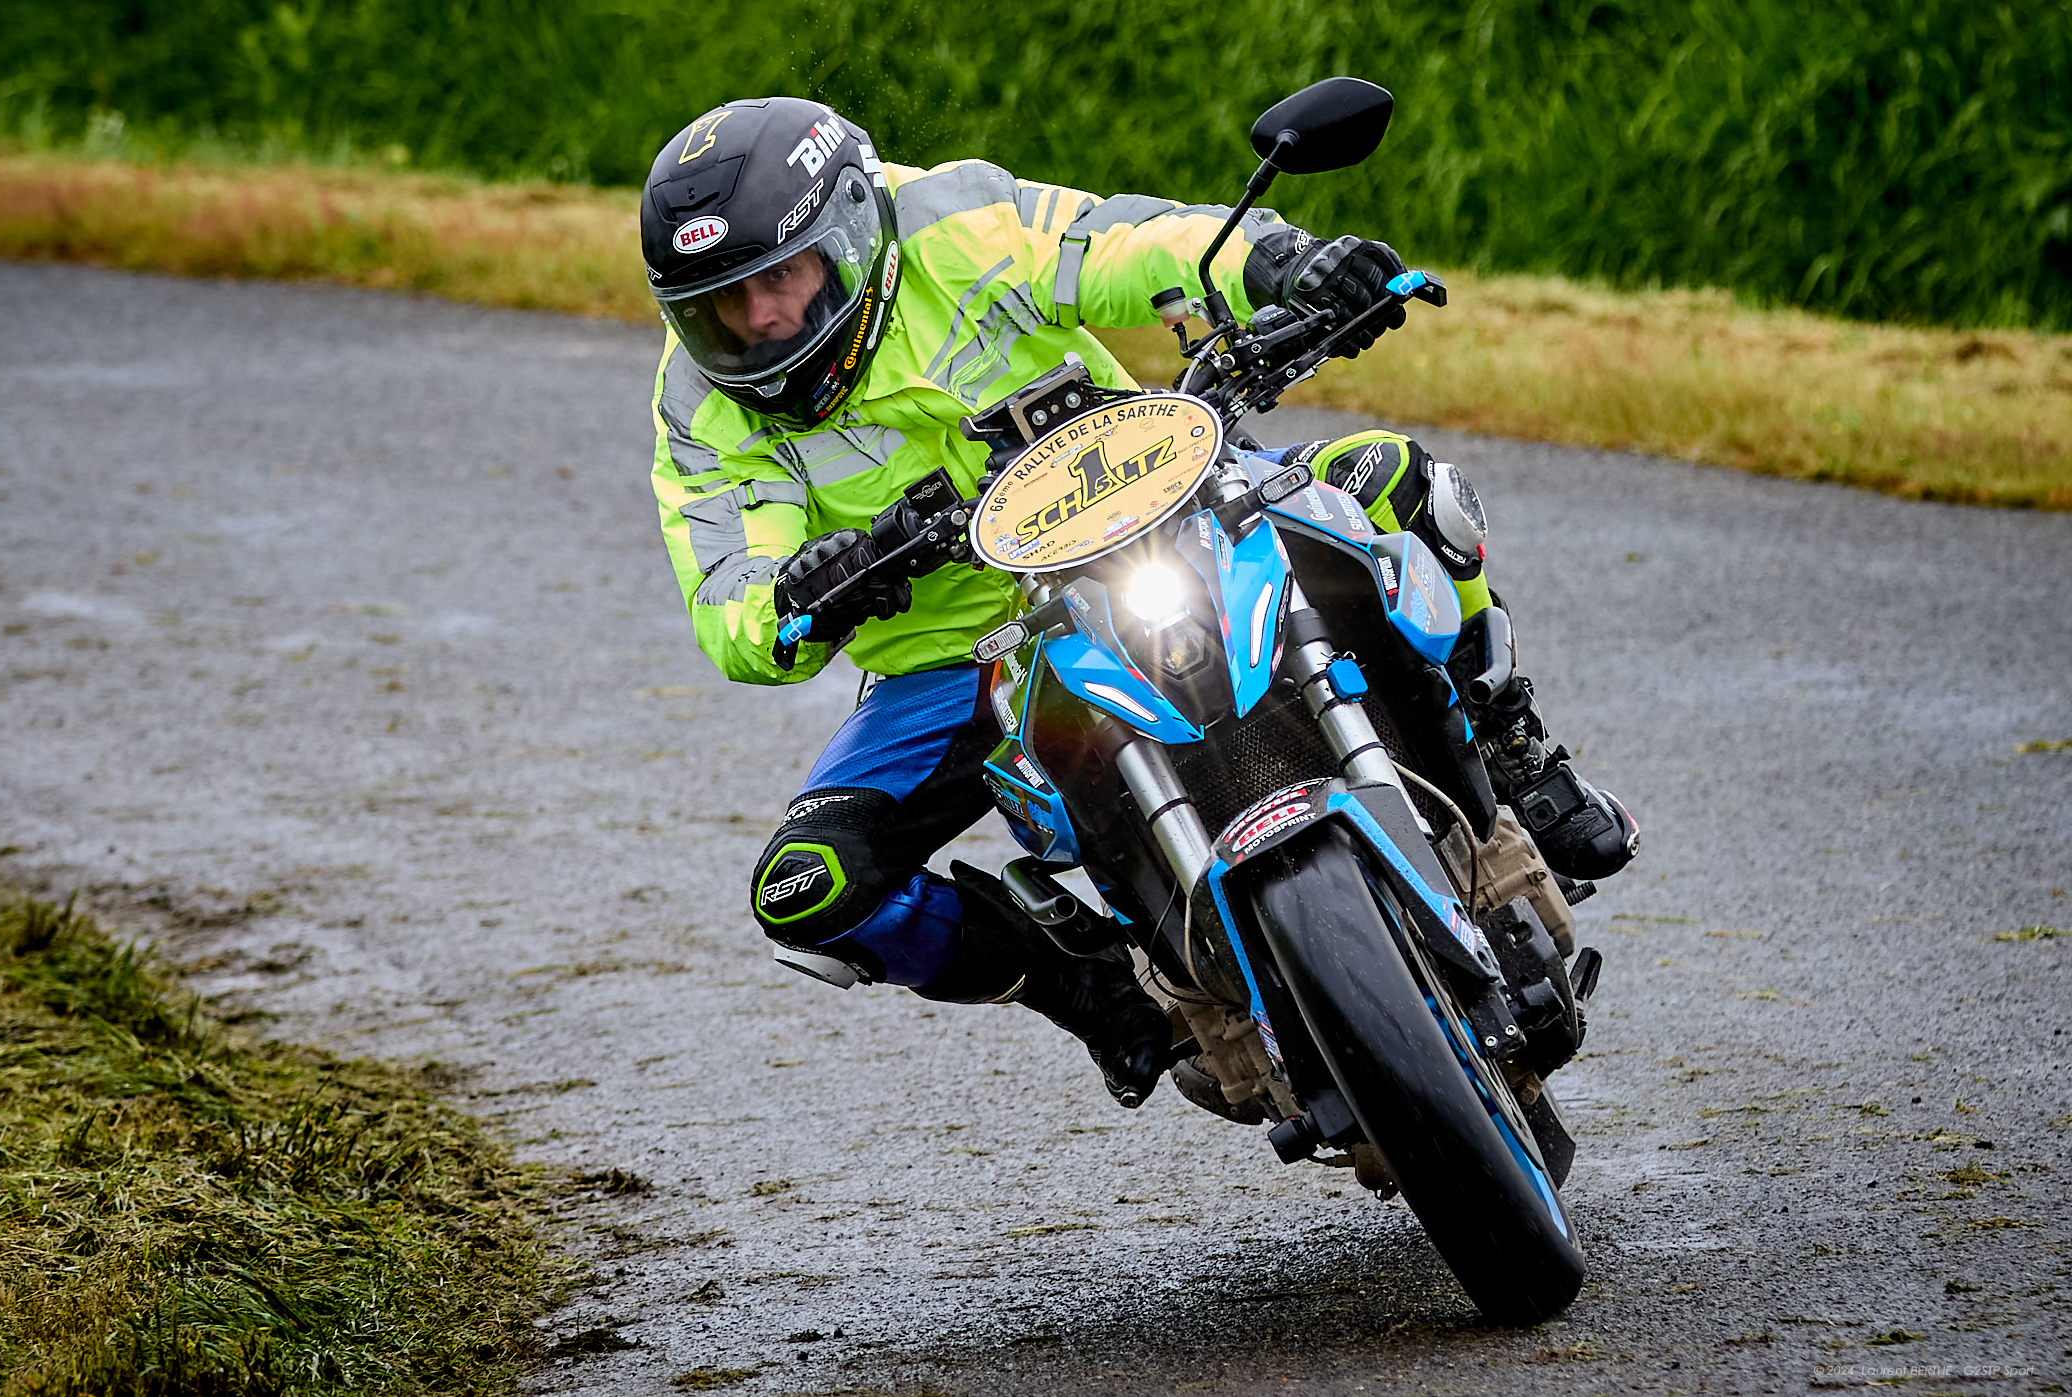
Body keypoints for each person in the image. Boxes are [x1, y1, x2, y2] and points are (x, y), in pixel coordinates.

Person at [642, 97, 1636, 1112]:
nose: (759, 317)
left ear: (849, 237)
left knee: (1394, 479)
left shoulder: (953, 222)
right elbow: (730, 600)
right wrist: (803, 592)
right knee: (808, 885)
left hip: (1154, 507)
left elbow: (1128, 242)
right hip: (967, 650)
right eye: (726, 302)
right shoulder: (699, 405)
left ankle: (1512, 743)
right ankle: (1089, 987)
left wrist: (1279, 263)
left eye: (779, 277)